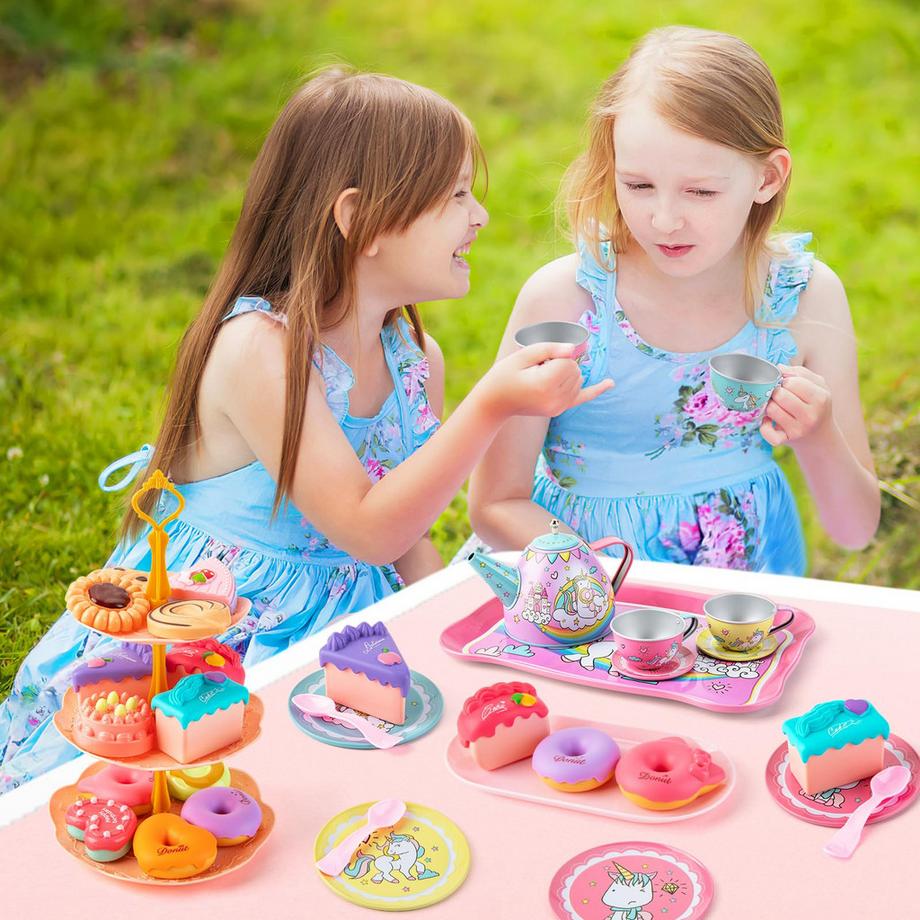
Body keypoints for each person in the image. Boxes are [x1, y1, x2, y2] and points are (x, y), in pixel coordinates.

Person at [0, 68, 610, 793]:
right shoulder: (261, 350)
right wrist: (492, 405)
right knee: (207, 786)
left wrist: (452, 638)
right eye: (454, 196)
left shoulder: (414, 358)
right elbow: (368, 528)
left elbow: (405, 535)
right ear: (358, 217)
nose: (479, 216)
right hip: (221, 628)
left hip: (351, 622)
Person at [470, 26, 879, 573]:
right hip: (581, 589)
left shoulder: (805, 299)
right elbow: (495, 503)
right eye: (638, 185)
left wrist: (818, 434)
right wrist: (608, 581)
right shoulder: (564, 302)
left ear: (767, 177)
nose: (664, 220)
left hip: (737, 599)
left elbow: (854, 529)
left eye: (700, 191)